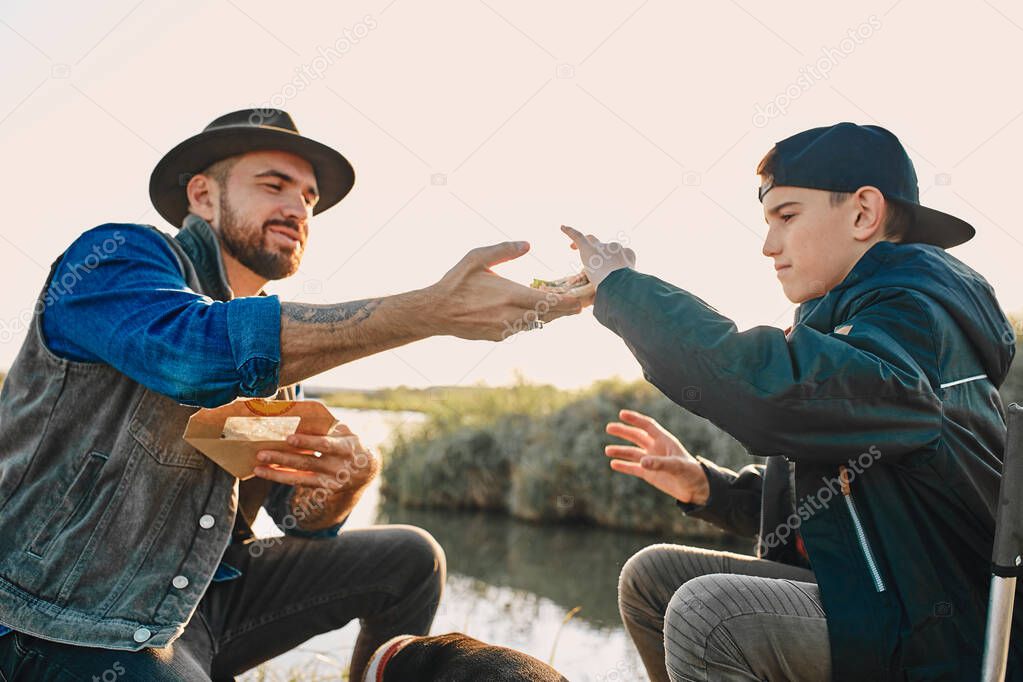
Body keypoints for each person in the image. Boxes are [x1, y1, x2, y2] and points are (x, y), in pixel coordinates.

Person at [0, 108, 581, 681]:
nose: (297, 208)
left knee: (412, 557)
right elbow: (191, 355)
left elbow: (296, 518)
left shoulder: (283, 355)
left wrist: (343, 484)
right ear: (202, 195)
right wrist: (429, 311)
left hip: (207, 598)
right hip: (67, 615)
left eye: (308, 198)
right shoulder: (116, 257)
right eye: (273, 185)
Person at [562, 123, 1020, 681]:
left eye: (787, 216)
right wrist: (708, 488)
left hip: (937, 636)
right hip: (877, 598)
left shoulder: (914, 323)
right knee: (652, 578)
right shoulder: (856, 326)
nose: (768, 244)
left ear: (863, 214)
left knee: (710, 618)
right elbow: (848, 507)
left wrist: (624, 292)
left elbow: (774, 392)